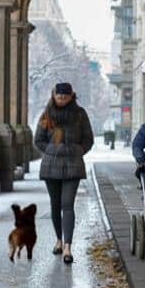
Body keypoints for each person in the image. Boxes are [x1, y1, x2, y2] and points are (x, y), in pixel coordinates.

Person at [34, 82, 94, 264]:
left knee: (67, 204)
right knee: (55, 204)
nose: (61, 100)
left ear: (71, 96)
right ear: (54, 95)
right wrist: (53, 149)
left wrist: (77, 151)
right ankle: (58, 240)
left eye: (64, 97)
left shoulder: (79, 114)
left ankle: (68, 246)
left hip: (73, 165)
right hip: (51, 165)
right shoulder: (47, 115)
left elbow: (88, 139)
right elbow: (39, 140)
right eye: (58, 97)